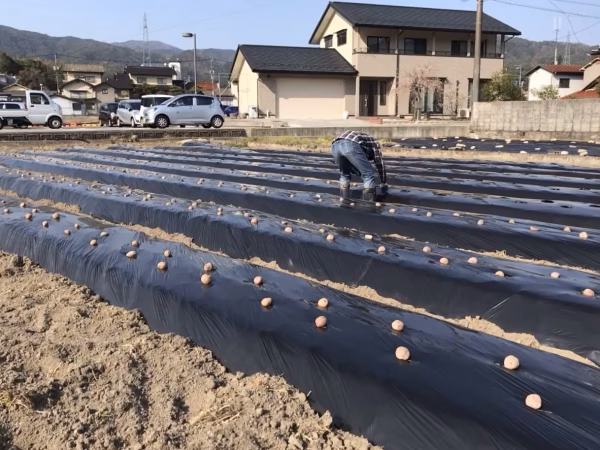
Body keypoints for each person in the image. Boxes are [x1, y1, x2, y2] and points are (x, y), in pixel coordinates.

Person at [331, 130, 388, 201]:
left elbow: (354, 165)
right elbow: (379, 163)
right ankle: (367, 204)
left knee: (344, 174)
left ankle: (344, 201)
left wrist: (360, 173)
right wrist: (383, 182)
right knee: (369, 175)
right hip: (350, 144)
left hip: (335, 145)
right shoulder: (375, 143)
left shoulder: (364, 142)